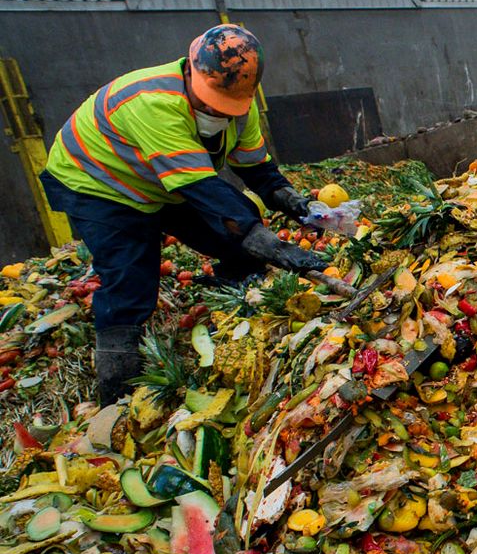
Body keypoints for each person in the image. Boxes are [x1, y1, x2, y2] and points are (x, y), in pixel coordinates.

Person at [39, 24, 327, 405]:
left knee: (236, 224)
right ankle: (117, 389)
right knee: (130, 275)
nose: (213, 110)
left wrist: (291, 201)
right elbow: (199, 189)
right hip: (99, 182)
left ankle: (232, 294)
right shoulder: (153, 102)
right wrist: (268, 243)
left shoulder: (241, 107)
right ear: (190, 72)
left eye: (223, 106)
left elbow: (255, 166)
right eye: (207, 102)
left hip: (164, 178)